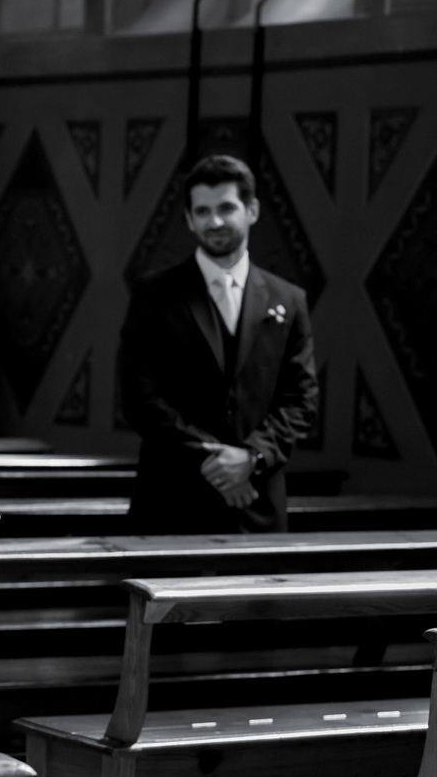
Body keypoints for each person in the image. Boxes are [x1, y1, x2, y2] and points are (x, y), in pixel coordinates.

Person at [118, 154, 318, 533]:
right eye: (203, 211)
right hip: (170, 502)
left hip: (256, 504)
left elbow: (301, 400)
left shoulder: (289, 300)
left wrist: (251, 458)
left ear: (252, 210)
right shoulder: (152, 295)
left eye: (226, 208)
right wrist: (215, 460)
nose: (215, 222)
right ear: (189, 218)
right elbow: (139, 398)